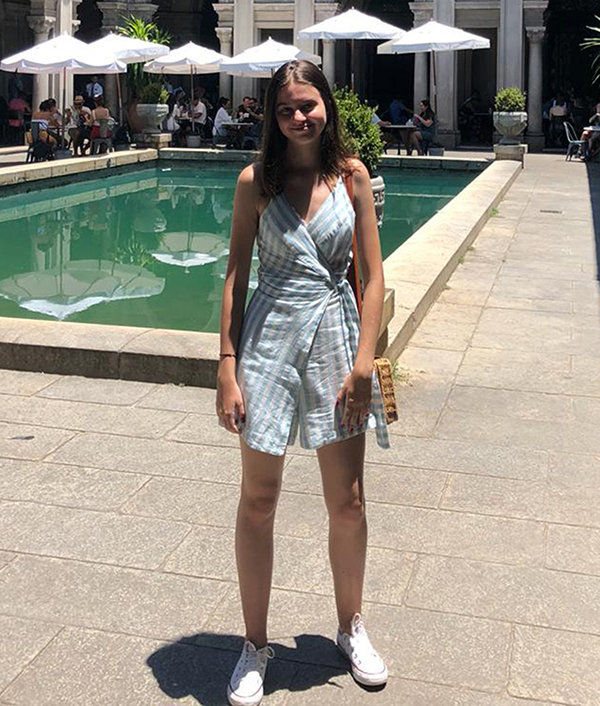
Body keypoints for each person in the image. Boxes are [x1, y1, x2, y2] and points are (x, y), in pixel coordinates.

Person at [217, 59, 390, 706]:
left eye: (308, 104)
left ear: (327, 107)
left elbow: (372, 277)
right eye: (287, 107)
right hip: (266, 341)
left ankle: (351, 626)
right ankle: (253, 644)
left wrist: (366, 361)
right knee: (257, 500)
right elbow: (235, 276)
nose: (299, 116)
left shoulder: (351, 178)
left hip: (338, 342)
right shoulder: (254, 183)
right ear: (273, 113)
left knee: (347, 502)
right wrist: (225, 366)